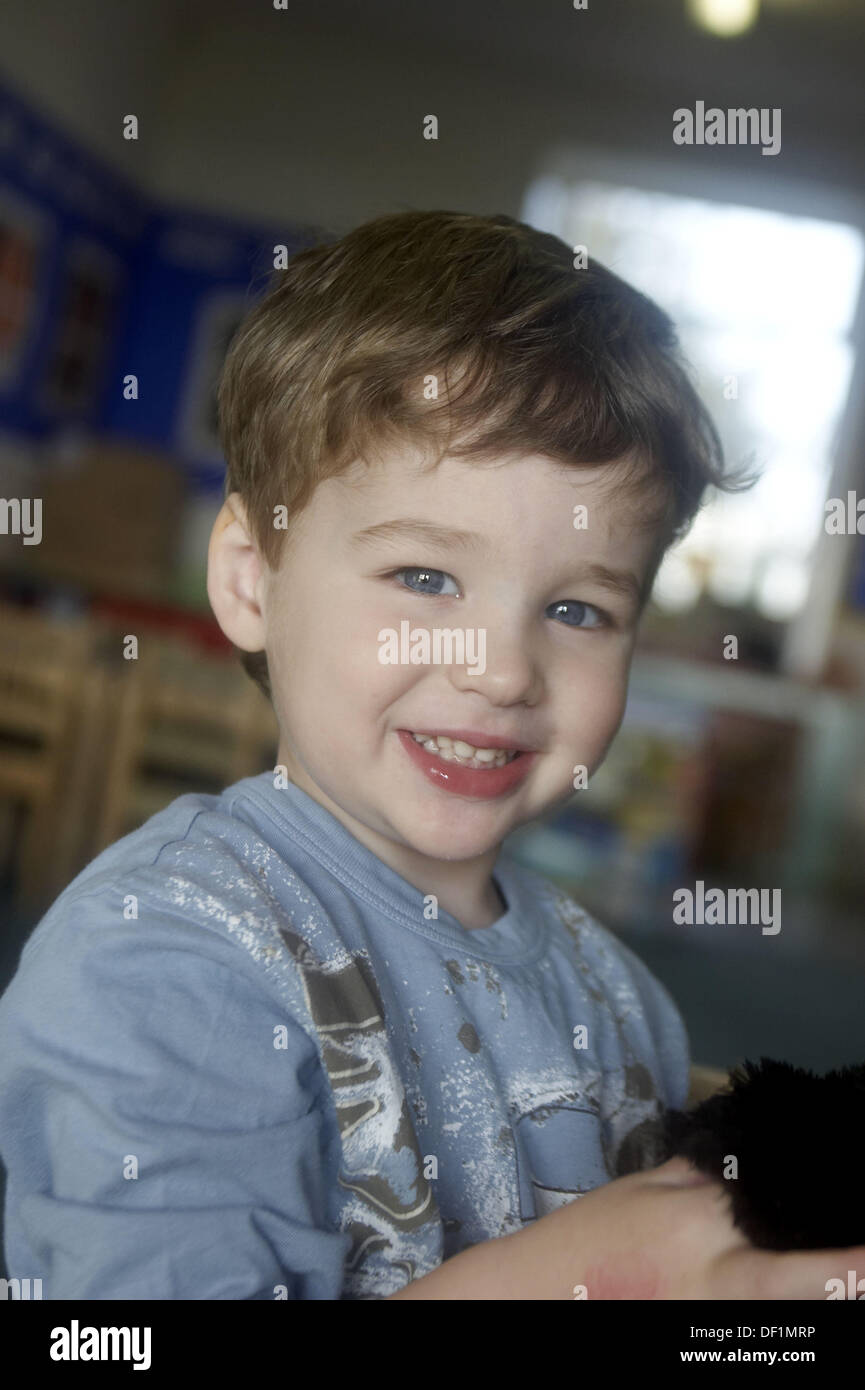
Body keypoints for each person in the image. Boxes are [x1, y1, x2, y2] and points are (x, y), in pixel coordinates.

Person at [1, 210, 859, 1300]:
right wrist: (602, 1271)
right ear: (251, 581)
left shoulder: (626, 997)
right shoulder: (167, 961)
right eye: (423, 577)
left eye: (577, 609)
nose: (501, 669)